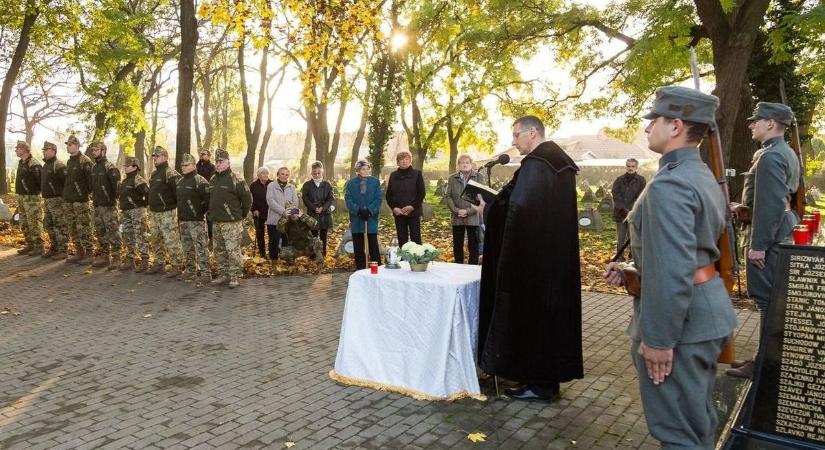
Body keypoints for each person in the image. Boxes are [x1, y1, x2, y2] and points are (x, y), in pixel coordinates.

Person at [603, 86, 737, 449]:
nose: (647, 128)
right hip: (703, 312)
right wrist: (633, 269)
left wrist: (659, 340)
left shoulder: (670, 184)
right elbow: (689, 249)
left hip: (681, 326)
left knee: (679, 433)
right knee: (697, 421)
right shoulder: (699, 174)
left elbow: (674, 268)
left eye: (654, 121)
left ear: (676, 126)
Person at [477, 115, 583, 403]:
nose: (513, 142)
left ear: (532, 133)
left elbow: (519, 209)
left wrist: (488, 211)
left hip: (534, 261)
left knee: (535, 318)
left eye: (516, 135)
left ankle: (538, 385)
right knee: (550, 319)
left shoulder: (538, 164)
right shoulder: (560, 162)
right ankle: (546, 381)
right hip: (554, 258)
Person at [726, 101, 800, 379]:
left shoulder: (769, 156)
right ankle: (764, 358)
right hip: (779, 233)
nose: (751, 124)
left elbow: (770, 204)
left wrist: (758, 245)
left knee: (767, 301)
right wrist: (743, 208)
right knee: (771, 302)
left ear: (771, 124)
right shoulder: (785, 152)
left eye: (757, 120)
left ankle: (764, 365)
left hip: (768, 239)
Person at [208, 149, 252, 288]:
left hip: (232, 223)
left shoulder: (236, 180)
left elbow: (247, 201)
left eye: (221, 161)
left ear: (228, 162)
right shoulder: (213, 179)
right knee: (219, 250)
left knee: (232, 250)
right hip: (216, 222)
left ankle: (235, 276)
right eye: (216, 161)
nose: (218, 164)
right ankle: (223, 274)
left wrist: (240, 215)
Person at [147, 146, 184, 277]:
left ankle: (177, 265)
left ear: (165, 157)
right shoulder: (154, 174)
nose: (155, 159)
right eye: (154, 157)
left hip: (167, 213)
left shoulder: (171, 174)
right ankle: (159, 263)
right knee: (155, 239)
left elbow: (178, 194)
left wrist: (172, 207)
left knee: (171, 240)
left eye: (157, 156)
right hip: (154, 212)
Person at [444, 154, 485, 264]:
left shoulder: (479, 177)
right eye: (462, 163)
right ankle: (458, 267)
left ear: (471, 164)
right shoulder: (452, 178)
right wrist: (456, 210)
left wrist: (468, 211)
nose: (465, 165)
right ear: (458, 165)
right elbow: (448, 196)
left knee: (473, 245)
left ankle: (472, 268)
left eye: (467, 162)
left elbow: (481, 197)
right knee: (457, 244)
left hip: (473, 216)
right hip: (457, 216)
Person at [176, 153, 211, 282]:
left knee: (201, 247)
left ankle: (206, 273)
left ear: (193, 165)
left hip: (196, 221)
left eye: (186, 165)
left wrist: (198, 212)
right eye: (182, 165)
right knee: (187, 247)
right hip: (183, 220)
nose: (183, 167)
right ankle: (190, 271)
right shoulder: (180, 182)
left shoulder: (200, 181)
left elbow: (207, 200)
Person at [89, 142, 122, 269]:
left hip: (108, 206)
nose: (94, 152)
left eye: (96, 150)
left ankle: (117, 257)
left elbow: (117, 188)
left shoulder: (110, 167)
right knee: (100, 231)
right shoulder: (94, 168)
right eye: (93, 150)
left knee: (112, 231)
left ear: (103, 151)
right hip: (97, 205)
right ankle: (104, 256)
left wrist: (112, 201)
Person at [62, 135, 95, 264]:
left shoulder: (85, 161)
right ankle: (79, 251)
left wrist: (85, 194)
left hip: (80, 201)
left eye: (70, 144)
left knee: (84, 227)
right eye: (67, 145)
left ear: (77, 145)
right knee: (72, 227)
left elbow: (91, 181)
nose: (68, 147)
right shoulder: (70, 161)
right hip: (69, 199)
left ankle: (89, 252)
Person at [345, 160, 382, 269]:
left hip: (371, 218)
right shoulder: (351, 183)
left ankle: (376, 269)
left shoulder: (375, 182)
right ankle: (361, 269)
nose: (365, 171)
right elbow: (348, 199)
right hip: (357, 219)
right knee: (358, 245)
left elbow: (378, 198)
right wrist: (358, 210)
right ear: (358, 170)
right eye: (362, 169)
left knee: (373, 244)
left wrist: (369, 210)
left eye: (367, 169)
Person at [385, 151, 425, 246]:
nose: (404, 161)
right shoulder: (393, 175)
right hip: (399, 212)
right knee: (402, 239)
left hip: (414, 211)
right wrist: (394, 208)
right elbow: (389, 195)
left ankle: (417, 259)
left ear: (410, 161)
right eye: (401, 159)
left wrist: (412, 206)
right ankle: (403, 260)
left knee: (416, 238)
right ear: (398, 162)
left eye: (407, 159)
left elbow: (421, 193)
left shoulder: (417, 174)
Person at [118, 156, 150, 272]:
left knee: (140, 235)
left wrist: (142, 204)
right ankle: (130, 259)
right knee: (127, 235)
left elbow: (147, 194)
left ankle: (145, 260)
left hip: (137, 211)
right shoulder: (125, 180)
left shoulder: (138, 180)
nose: (125, 168)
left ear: (135, 167)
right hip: (126, 211)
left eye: (127, 166)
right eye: (125, 166)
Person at [611, 158, 646, 260]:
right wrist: (622, 209)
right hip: (620, 214)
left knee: (633, 237)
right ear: (626, 166)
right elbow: (615, 195)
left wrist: (631, 210)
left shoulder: (641, 180)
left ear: (636, 167)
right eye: (628, 166)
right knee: (620, 238)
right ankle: (620, 257)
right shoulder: (619, 180)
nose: (630, 168)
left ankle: (633, 257)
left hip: (633, 213)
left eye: (633, 166)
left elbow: (641, 196)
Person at [14, 141, 44, 256]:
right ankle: (30, 244)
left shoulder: (33, 163)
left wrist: (36, 193)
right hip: (22, 196)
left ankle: (39, 246)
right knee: (24, 222)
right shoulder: (21, 162)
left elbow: (40, 180)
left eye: (18, 148)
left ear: (24, 149)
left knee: (34, 221)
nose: (16, 150)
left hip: (31, 197)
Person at [40, 141, 68, 259]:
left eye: (47, 150)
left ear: (53, 151)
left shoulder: (59, 165)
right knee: (49, 224)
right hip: (47, 200)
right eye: (44, 150)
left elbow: (66, 182)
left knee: (60, 224)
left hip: (57, 200)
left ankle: (63, 250)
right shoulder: (45, 165)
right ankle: (54, 247)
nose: (44, 152)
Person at [301, 161, 335, 257]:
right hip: (312, 213)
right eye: (314, 173)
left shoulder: (327, 185)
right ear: (311, 173)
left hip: (324, 214)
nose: (316, 175)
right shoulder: (307, 185)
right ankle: (313, 255)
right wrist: (314, 208)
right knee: (313, 235)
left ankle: (323, 254)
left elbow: (331, 198)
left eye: (318, 173)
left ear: (322, 172)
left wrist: (323, 208)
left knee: (323, 235)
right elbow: (305, 198)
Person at [265, 167, 298, 260]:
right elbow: (270, 201)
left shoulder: (291, 187)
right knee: (273, 242)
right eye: (282, 174)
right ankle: (274, 261)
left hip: (288, 220)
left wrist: (291, 212)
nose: (284, 176)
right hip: (274, 219)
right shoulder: (271, 185)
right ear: (278, 174)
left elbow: (295, 202)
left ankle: (285, 260)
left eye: (287, 174)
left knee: (286, 241)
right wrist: (283, 211)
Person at [250, 166, 274, 259]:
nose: (266, 175)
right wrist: (254, 209)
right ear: (258, 175)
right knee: (260, 234)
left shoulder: (272, 184)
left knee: (272, 233)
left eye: (267, 173)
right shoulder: (253, 185)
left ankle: (273, 252)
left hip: (271, 212)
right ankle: (262, 253)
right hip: (258, 213)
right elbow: (250, 199)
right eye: (263, 174)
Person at [197, 148, 216, 242]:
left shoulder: (212, 167)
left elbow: (211, 180)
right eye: (201, 154)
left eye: (204, 154)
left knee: (209, 218)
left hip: (209, 195)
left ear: (209, 156)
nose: (201, 155)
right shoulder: (196, 166)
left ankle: (211, 238)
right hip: (197, 196)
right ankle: (201, 239)